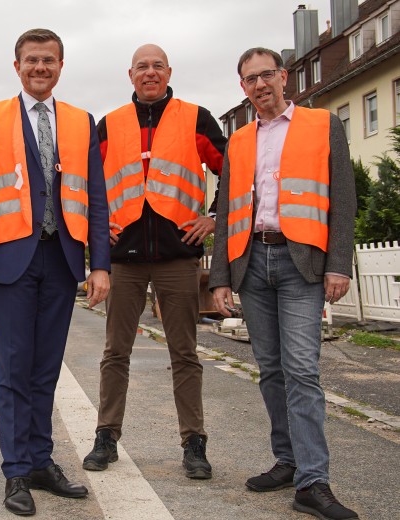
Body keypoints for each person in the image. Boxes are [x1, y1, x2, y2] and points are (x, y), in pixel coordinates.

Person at [0, 28, 111, 516]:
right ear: (17, 65)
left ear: (60, 66)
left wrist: (100, 264)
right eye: (31, 60)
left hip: (62, 260)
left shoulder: (81, 122)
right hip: (9, 261)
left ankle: (41, 460)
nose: (39, 68)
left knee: (46, 368)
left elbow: (98, 199)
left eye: (48, 60)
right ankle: (16, 471)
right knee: (13, 369)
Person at [210, 47, 359, 520]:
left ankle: (313, 482)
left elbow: (343, 198)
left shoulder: (322, 124)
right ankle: (288, 461)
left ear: (284, 77)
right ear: (243, 88)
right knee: (271, 370)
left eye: (266, 75)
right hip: (252, 262)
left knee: (302, 371)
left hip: (301, 264)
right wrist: (221, 278)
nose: (260, 85)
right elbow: (226, 213)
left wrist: (339, 264)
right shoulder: (239, 142)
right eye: (250, 79)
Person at [82, 44, 226, 480]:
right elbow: (85, 181)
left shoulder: (195, 117)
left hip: (178, 256)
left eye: (157, 66)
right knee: (115, 352)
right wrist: (95, 227)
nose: (150, 73)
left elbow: (236, 166)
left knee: (185, 352)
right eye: (142, 67)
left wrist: (215, 216)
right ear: (130, 75)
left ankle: (194, 444)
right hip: (123, 257)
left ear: (168, 72)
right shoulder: (109, 124)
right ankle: (106, 436)